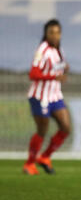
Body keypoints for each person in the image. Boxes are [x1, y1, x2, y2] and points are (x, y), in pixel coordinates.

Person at [23, 19, 71, 175]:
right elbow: (33, 73)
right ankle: (29, 164)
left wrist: (65, 70)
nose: (55, 35)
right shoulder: (42, 50)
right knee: (42, 131)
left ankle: (45, 156)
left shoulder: (59, 50)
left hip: (55, 96)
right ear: (46, 34)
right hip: (40, 96)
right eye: (51, 32)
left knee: (65, 128)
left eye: (57, 32)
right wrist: (54, 77)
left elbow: (59, 69)